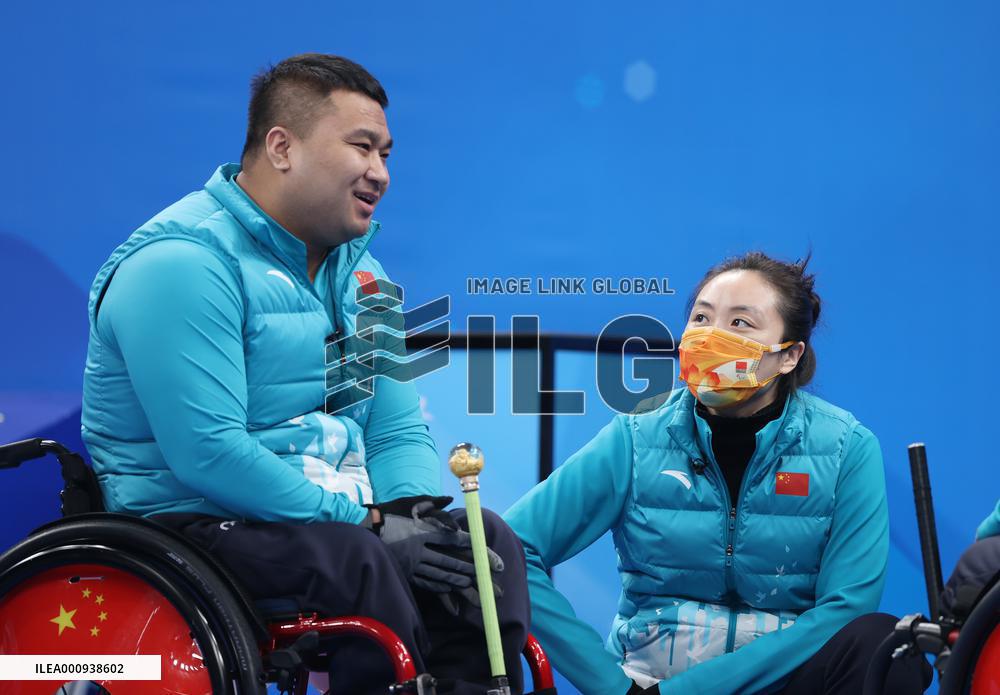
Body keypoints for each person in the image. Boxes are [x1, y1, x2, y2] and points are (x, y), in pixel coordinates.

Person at [80, 53, 528, 695]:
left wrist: (407, 515)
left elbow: (395, 431)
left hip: (330, 521)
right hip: (194, 523)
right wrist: (369, 526)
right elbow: (208, 454)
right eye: (361, 147)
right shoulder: (180, 264)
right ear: (282, 147)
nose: (381, 173)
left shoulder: (366, 281)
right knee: (359, 557)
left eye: (387, 153)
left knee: (482, 546)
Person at [504, 252, 931, 694]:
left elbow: (847, 608)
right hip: (647, 683)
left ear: (789, 356)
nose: (710, 337)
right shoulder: (636, 436)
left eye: (740, 324)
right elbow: (508, 550)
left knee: (888, 644)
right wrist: (612, 686)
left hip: (782, 684)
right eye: (701, 317)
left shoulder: (846, 448)